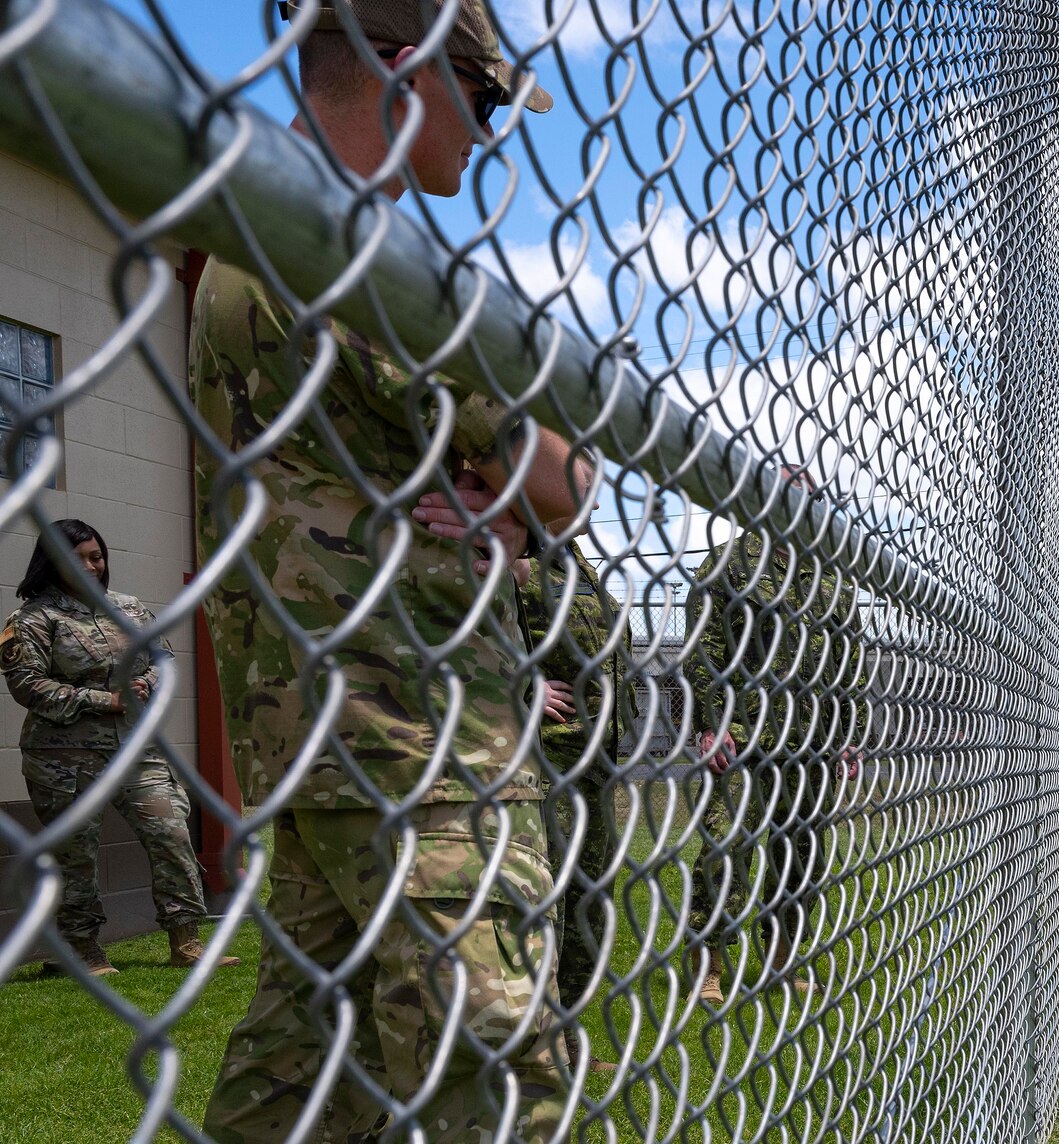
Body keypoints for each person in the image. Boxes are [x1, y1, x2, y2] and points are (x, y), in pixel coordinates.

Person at [190, 4, 588, 1140]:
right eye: (489, 93)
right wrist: (514, 498)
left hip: (303, 727)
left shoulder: (239, 238)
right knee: (499, 1061)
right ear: (405, 66)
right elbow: (565, 477)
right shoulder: (370, 255)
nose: (494, 128)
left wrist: (500, 495)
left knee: (304, 1060)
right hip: (420, 738)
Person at [2, 519, 237, 976]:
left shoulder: (129, 608)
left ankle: (186, 941)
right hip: (64, 760)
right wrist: (106, 699)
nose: (91, 565)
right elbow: (28, 685)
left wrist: (145, 683)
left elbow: (164, 659)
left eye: (96, 555)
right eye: (78, 557)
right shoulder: (32, 619)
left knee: (171, 834)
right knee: (75, 855)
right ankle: (81, 952)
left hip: (137, 753)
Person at [682, 468, 867, 1006]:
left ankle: (781, 965)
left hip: (810, 743)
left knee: (798, 859)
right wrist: (710, 724)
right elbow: (700, 651)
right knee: (726, 851)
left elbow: (848, 665)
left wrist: (847, 734)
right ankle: (706, 968)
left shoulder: (832, 580)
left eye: (809, 497)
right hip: (742, 737)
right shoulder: (727, 565)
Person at [515, 540, 622, 1037]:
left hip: (596, 760)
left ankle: (567, 1034)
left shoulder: (575, 560)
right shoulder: (508, 542)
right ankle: (533, 1044)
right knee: (544, 903)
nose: (594, 494)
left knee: (589, 899)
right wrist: (518, 680)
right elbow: (453, 626)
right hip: (543, 758)